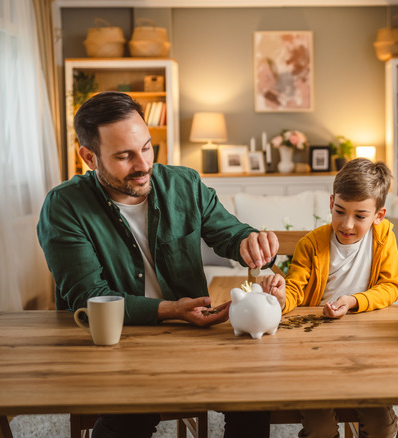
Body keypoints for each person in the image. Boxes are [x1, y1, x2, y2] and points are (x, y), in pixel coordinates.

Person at [37, 91, 275, 438]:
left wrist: (248, 241)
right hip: (117, 342)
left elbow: (229, 233)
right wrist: (170, 310)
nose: (143, 164)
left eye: (147, 147)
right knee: (131, 415)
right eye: (124, 156)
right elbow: (89, 297)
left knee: (254, 399)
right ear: (89, 156)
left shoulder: (185, 184)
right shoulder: (64, 207)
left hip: (193, 336)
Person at [262, 158, 398, 438]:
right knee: (320, 428)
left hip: (365, 349)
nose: (347, 224)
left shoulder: (384, 239)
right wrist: (279, 297)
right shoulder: (311, 244)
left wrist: (353, 301)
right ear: (331, 203)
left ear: (379, 215)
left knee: (381, 425)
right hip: (314, 352)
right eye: (340, 211)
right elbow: (295, 290)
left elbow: (391, 287)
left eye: (360, 216)